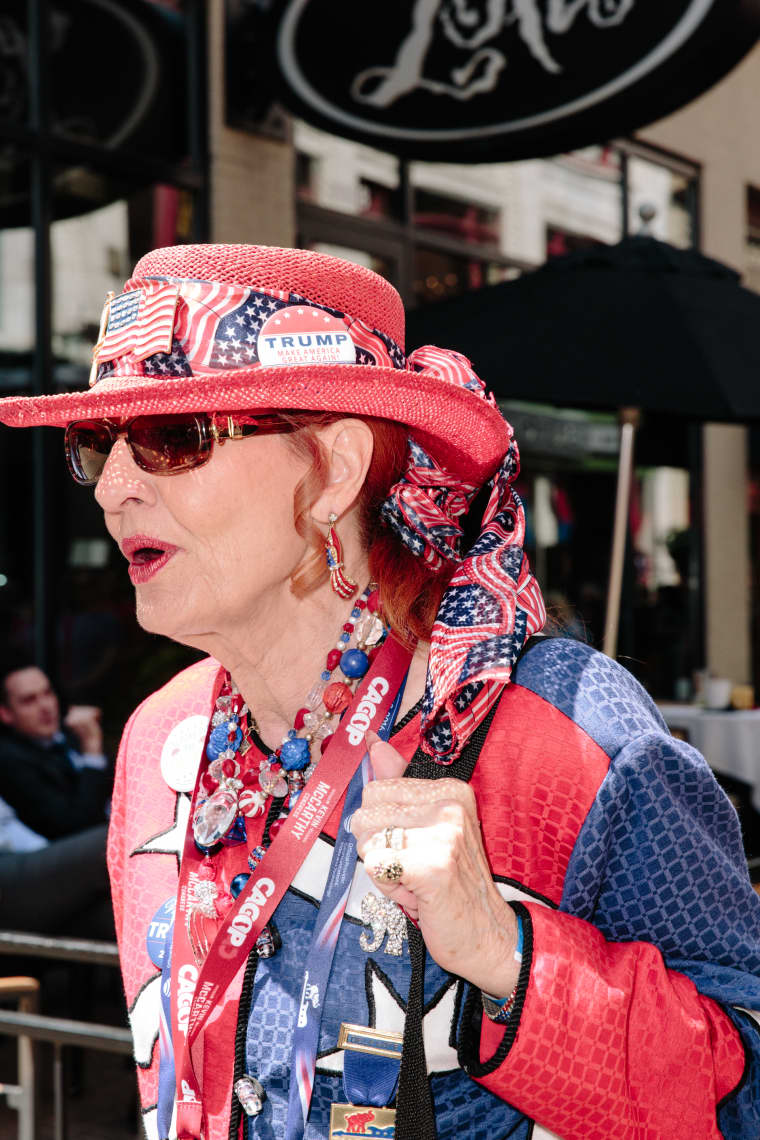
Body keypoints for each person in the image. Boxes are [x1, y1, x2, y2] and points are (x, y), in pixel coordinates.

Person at [0, 243, 758, 1140]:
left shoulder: (568, 731)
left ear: (337, 469)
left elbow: (739, 1098)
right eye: (97, 444)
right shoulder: (159, 741)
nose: (114, 489)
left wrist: (505, 953)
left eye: (174, 439)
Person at [0, 661, 111, 840]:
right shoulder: (10, 760)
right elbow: (75, 826)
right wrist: (92, 751)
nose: (45, 706)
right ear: (6, 714)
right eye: (29, 700)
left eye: (48, 693)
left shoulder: (71, 735)